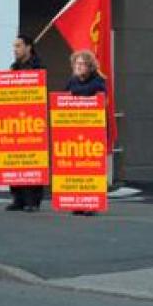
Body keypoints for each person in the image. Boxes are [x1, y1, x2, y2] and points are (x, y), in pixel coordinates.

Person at [5, 34, 45, 212]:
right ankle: (18, 198)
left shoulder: (38, 67)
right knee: (15, 158)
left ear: (29, 47)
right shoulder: (13, 67)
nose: (15, 49)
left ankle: (33, 200)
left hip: (32, 119)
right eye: (14, 46)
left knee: (32, 159)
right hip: (14, 119)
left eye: (19, 46)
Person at [66, 50, 106, 216]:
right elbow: (63, 98)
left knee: (91, 168)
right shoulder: (72, 81)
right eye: (76, 64)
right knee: (76, 168)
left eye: (81, 64)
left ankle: (91, 203)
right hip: (74, 131)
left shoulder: (98, 82)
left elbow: (102, 100)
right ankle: (78, 202)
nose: (78, 66)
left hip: (92, 131)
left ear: (90, 66)